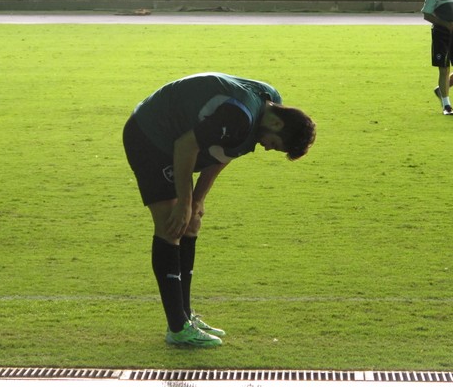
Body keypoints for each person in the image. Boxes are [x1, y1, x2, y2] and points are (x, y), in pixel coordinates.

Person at [122, 72, 316, 347]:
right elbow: (185, 146)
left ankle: (185, 318)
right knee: (171, 225)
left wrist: (197, 200)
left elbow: (225, 152)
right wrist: (184, 202)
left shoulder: (270, 104)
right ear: (275, 123)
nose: (265, 147)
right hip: (150, 135)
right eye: (273, 144)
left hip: (177, 140)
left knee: (190, 223)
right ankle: (177, 328)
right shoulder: (240, 117)